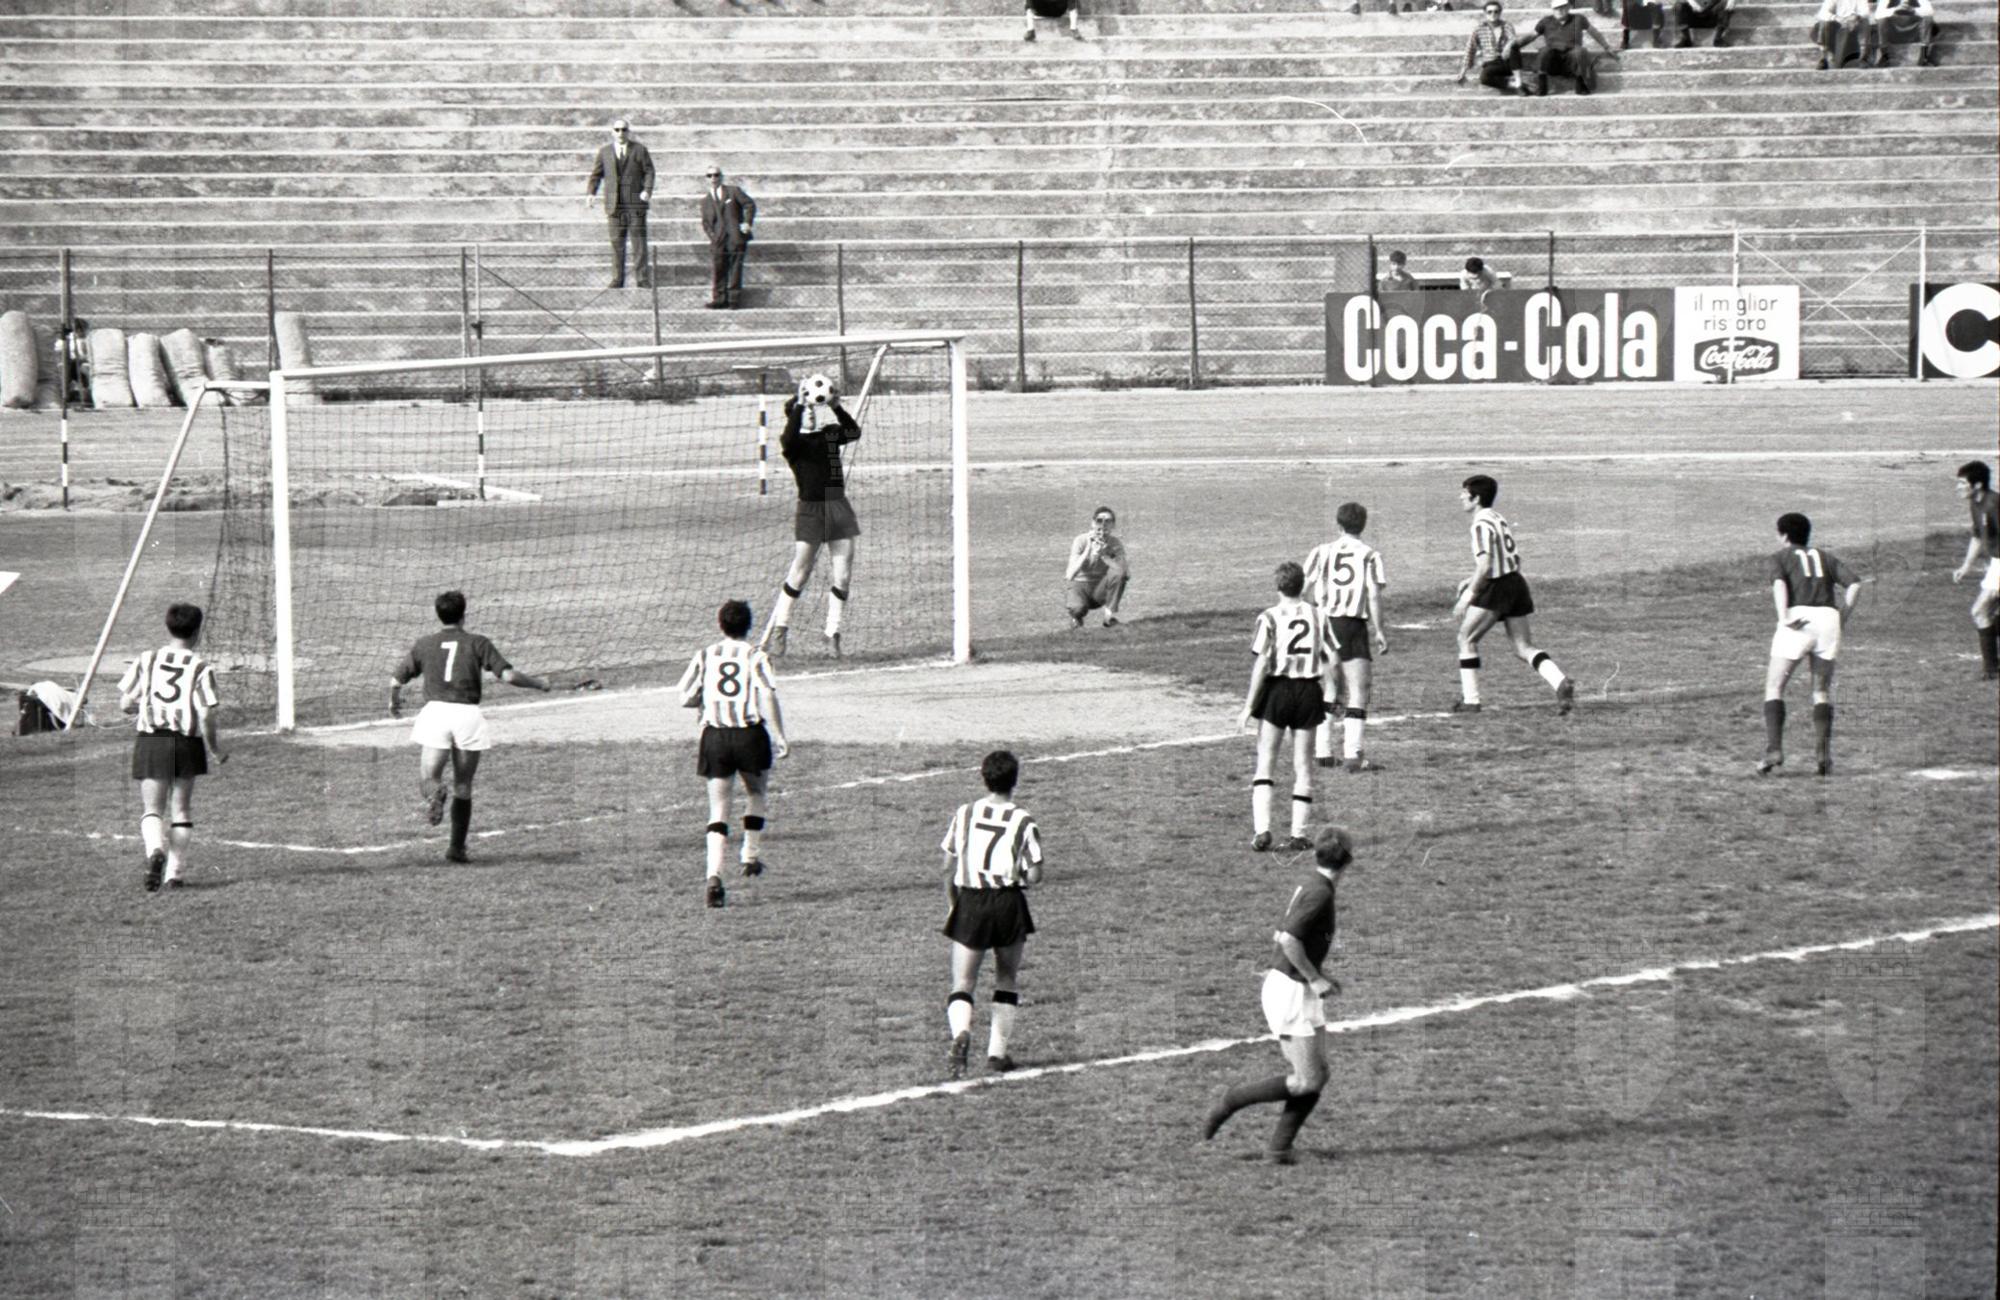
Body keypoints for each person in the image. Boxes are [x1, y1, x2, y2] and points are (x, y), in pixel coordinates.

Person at [1202, 825, 1354, 1166]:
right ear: (1349, 862)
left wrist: (1319, 975)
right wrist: (1314, 978)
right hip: (1291, 991)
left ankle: (1279, 1150)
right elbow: (1287, 939)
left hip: (1296, 986)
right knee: (1307, 1079)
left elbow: (1281, 933)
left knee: (1317, 1076)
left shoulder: (1312, 884)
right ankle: (1233, 1100)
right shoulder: (1320, 893)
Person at [390, 590, 551, 863]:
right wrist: (540, 683)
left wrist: (393, 702)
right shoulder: (477, 642)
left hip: (436, 714)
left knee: (428, 778)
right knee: (463, 786)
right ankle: (456, 848)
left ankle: (435, 794)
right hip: (467, 716)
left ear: (438, 615)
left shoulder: (424, 644)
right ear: (464, 615)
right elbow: (508, 676)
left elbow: (395, 681)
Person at [677, 599, 790, 909]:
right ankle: (750, 855)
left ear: (721, 625)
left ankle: (713, 877)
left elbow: (684, 696)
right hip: (749, 735)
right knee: (756, 792)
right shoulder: (756, 656)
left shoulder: (705, 655)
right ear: (748, 626)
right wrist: (780, 735)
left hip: (715, 737)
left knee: (718, 810)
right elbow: (768, 695)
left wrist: (704, 700)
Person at [940, 750, 1044, 1077]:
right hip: (1008, 903)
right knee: (1006, 978)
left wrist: (954, 904)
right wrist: (1019, 873)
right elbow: (1035, 874)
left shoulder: (965, 813)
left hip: (971, 901)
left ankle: (961, 1033)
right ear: (1015, 780)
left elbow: (947, 865)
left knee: (963, 981)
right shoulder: (1023, 820)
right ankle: (996, 1055)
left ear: (983, 778)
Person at [117, 603, 228, 892]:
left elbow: (125, 703)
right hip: (186, 742)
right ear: (198, 631)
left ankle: (155, 849)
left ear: (168, 627)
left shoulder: (148, 659)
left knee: (152, 809)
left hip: (152, 740)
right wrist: (214, 749)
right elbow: (206, 714)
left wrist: (146, 710)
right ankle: (175, 874)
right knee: (181, 809)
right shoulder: (201, 667)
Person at [1452, 474, 1575, 715]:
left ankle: (1471, 701)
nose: (1461, 497)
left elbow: (1485, 566)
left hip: (1497, 587)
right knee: (1522, 647)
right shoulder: (1498, 518)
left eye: (1465, 493)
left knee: (1466, 639)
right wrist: (1471, 578)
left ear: (1476, 498)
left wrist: (1467, 597)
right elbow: (1512, 559)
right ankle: (1560, 682)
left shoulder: (1480, 524)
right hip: (1515, 582)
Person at [1240, 561, 1340, 852]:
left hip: (1277, 691)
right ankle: (1298, 834)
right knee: (1303, 766)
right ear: (1302, 585)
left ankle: (1262, 830)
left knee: (1266, 760)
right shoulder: (1319, 615)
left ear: (1278, 586)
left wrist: (1248, 706)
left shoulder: (1269, 617)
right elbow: (1333, 658)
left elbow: (1261, 663)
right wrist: (1332, 690)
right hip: (1308, 691)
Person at [763, 379, 863, 658]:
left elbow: (853, 432)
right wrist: (799, 403)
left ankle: (832, 634)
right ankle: (781, 629)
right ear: (795, 415)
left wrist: (836, 406)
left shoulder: (829, 435)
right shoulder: (793, 445)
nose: (810, 412)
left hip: (838, 506)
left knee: (843, 576)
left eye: (811, 408)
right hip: (810, 510)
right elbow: (789, 437)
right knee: (801, 572)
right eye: (804, 410)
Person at [1758, 513, 1863, 776]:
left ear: (1783, 535)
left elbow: (1780, 584)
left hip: (1798, 619)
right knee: (1820, 691)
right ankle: (1823, 755)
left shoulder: (1779, 557)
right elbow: (1854, 584)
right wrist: (1842, 617)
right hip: (1828, 619)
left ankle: (1774, 750)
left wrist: (1783, 617)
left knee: (1774, 687)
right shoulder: (1824, 556)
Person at [1303, 502, 1388, 772]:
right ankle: (1353, 754)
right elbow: (1373, 595)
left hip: (1324, 624)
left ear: (1338, 525)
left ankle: (1323, 752)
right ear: (1363, 525)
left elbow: (1304, 590)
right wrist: (1379, 630)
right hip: (1351, 626)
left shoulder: (1321, 551)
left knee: (1330, 688)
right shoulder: (1370, 555)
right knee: (1359, 690)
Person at [583, 119, 654, 290]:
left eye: (624, 129)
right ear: (612, 132)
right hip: (614, 205)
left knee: (639, 242)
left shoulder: (639, 150)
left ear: (628, 131)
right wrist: (591, 193)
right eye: (617, 130)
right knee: (616, 243)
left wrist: (647, 190)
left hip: (635, 204)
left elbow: (649, 171)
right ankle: (617, 278)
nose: (621, 133)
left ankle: (642, 278)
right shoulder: (605, 152)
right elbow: (596, 174)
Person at [1950, 461, 1999, 679]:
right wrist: (1966, 566)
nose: (1958, 488)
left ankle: (1991, 671)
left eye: (1962, 483)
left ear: (1977, 485)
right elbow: (1978, 536)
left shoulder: (1994, 504)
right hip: (1996, 563)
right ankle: (1992, 669)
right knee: (1984, 613)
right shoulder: (1975, 504)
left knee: (1980, 611)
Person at [1513, 0, 1619, 95]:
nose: (1559, 10)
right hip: (1553, 62)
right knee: (1544, 51)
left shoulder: (1578, 18)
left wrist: (1607, 47)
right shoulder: (1546, 21)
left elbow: (1593, 32)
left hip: (1572, 62)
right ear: (1552, 9)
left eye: (1562, 7)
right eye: (1556, 8)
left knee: (1580, 51)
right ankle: (1542, 85)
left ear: (1568, 7)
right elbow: (1532, 36)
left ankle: (1581, 84)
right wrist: (1515, 46)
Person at [699, 165, 756, 309]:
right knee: (719, 269)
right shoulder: (705, 201)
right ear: (706, 179)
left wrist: (747, 222)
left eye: (716, 175)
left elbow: (749, 204)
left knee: (735, 268)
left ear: (721, 177)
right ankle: (719, 299)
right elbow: (706, 222)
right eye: (710, 175)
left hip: (735, 237)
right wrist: (713, 236)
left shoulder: (733, 191)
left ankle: (733, 300)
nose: (713, 178)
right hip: (718, 240)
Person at [1065, 505, 1130, 628]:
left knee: (1118, 573)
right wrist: (1088, 550)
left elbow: (1125, 574)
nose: (1103, 525)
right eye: (1099, 521)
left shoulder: (1115, 543)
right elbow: (1069, 575)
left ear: (1113, 525)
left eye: (1108, 521)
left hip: (1099, 590)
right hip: (1080, 586)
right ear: (1093, 523)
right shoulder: (1080, 540)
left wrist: (1104, 556)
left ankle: (1108, 619)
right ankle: (1076, 619)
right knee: (1078, 609)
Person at [1458, 2, 1527, 93]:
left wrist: (1508, 46)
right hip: (1492, 63)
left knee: (1514, 47)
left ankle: (1518, 81)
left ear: (1500, 13)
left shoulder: (1506, 25)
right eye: (1489, 12)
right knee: (1484, 77)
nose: (1493, 14)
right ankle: (1515, 85)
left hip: (1507, 61)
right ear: (1485, 13)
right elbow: (1470, 48)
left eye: (1496, 11)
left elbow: (1513, 39)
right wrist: (1463, 71)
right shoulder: (1479, 28)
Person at [1870, 0, 1939, 65]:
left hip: (1913, 28)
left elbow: (1929, 12)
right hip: (1894, 29)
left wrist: (1914, 10)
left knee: (1927, 18)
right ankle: (1885, 55)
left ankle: (1924, 56)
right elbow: (1878, 15)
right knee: (1882, 20)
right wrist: (1895, 9)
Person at [1811, 0, 1876, 67]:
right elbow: (1822, 12)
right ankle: (1824, 58)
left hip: (1854, 24)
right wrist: (1835, 18)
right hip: (1837, 24)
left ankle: (1864, 57)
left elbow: (1866, 11)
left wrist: (1856, 17)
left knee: (1865, 21)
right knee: (1824, 23)